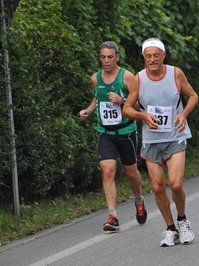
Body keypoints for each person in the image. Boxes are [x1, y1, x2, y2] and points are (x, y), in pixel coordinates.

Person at [122, 38, 199, 247]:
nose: (152, 59)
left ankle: (183, 221)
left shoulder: (176, 74)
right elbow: (127, 108)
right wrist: (144, 117)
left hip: (176, 136)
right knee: (157, 187)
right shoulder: (138, 79)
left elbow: (193, 96)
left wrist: (183, 113)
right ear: (144, 58)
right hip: (152, 140)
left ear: (163, 56)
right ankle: (170, 229)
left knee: (175, 184)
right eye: (148, 56)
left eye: (156, 55)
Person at [79, 41, 147, 232]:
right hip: (105, 132)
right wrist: (88, 110)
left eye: (110, 57)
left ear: (117, 57)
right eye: (103, 57)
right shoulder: (95, 78)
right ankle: (112, 215)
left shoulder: (127, 77)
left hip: (126, 132)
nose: (106, 61)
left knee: (131, 172)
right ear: (99, 58)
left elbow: (141, 106)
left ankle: (139, 201)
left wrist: (122, 100)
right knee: (107, 171)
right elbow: (97, 97)